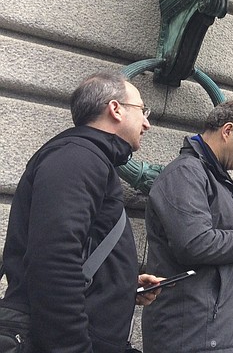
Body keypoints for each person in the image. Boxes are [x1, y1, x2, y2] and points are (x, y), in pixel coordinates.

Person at [0, 71, 162, 352]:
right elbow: (54, 260)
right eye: (142, 110)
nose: (147, 123)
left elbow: (76, 255)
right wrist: (72, 347)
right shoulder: (78, 157)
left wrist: (122, 285)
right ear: (115, 109)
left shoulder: (86, 157)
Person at [142, 99, 233, 352]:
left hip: (212, 335)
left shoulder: (213, 177)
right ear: (227, 131)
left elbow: (214, 255)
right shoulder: (186, 173)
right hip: (194, 337)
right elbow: (194, 244)